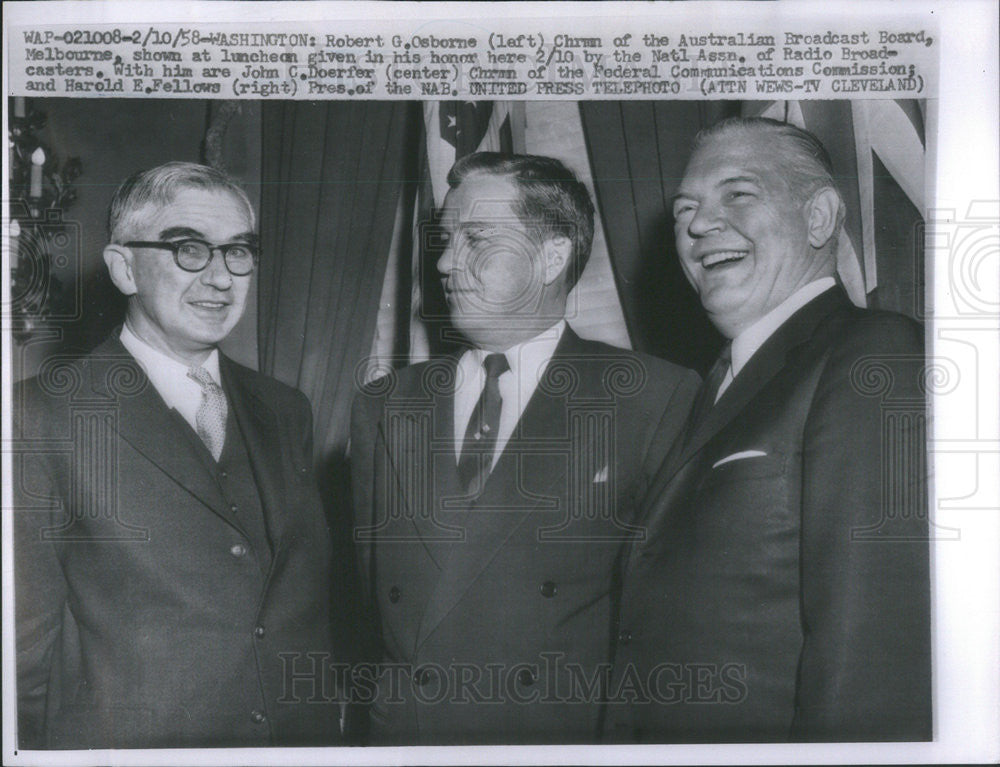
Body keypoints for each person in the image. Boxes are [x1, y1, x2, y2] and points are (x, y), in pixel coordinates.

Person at [350, 152, 699, 744]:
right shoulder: (383, 405)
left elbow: (669, 620)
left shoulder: (653, 396)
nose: (442, 263)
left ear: (551, 257)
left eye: (475, 239)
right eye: (445, 239)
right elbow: (364, 599)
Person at [605, 117, 931, 742]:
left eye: (739, 194)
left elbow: (875, 647)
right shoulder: (715, 386)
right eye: (685, 210)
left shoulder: (871, 354)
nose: (699, 225)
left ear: (818, 219)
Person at [13, 162, 344, 748]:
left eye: (238, 252)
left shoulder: (286, 409)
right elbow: (19, 658)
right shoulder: (41, 416)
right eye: (190, 249)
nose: (220, 278)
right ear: (123, 268)